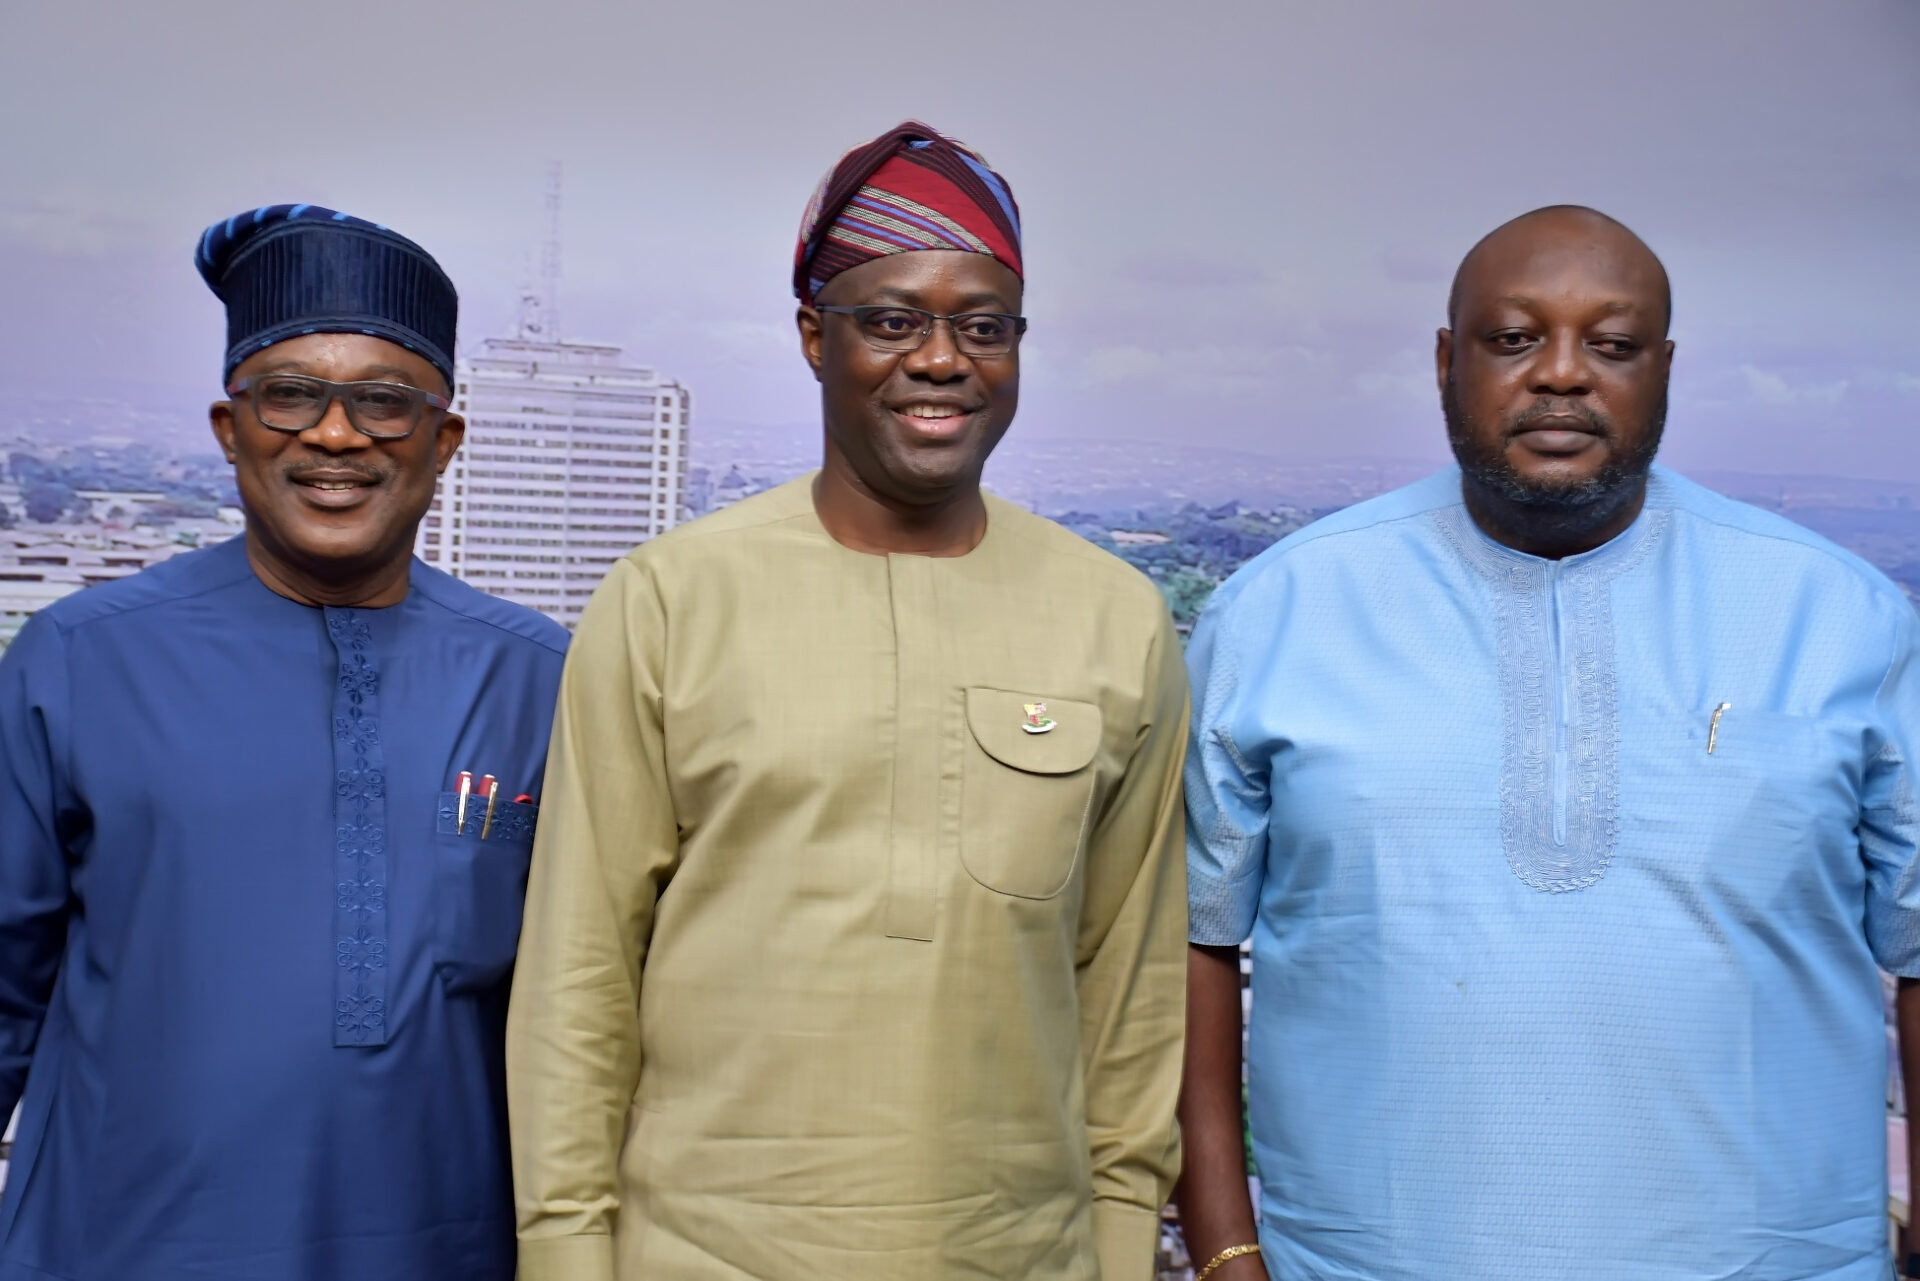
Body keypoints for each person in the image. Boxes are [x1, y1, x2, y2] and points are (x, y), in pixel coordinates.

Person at [1176, 205, 1920, 1281]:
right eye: (1514, 338)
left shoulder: (1841, 618)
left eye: (1611, 346)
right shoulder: (1278, 614)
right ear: (1445, 362)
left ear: (1664, 370)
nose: (1562, 375)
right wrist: (1226, 1248)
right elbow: (1193, 947)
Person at [507, 122, 1189, 1281]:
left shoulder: (1113, 619)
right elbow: (579, 979)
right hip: (700, 1256)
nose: (941, 358)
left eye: (984, 327)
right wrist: (568, 1255)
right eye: (890, 321)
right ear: (814, 339)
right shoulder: (672, 597)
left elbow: (1132, 1001)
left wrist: (1120, 1254)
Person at [0, 205, 569, 1281]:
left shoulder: (541, 679)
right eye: (292, 394)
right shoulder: (80, 659)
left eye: (387, 403)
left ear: (445, 439)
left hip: (448, 1251)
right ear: (230, 428)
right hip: (120, 1248)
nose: (337, 436)